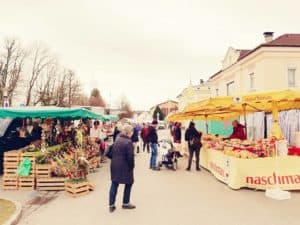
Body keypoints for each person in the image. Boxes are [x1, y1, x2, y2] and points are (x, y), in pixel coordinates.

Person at [108, 124, 136, 213]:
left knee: (114, 184)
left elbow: (111, 152)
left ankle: (111, 205)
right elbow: (130, 157)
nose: (132, 133)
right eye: (132, 132)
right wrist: (132, 166)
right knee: (129, 183)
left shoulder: (117, 139)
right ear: (129, 132)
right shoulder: (128, 142)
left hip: (114, 165)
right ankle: (125, 203)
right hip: (125, 166)